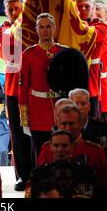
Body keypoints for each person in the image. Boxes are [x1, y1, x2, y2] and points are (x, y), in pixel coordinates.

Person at [0, 0, 32, 191]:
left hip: (31, 87)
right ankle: (22, 175)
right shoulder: (2, 30)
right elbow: (8, 51)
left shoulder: (29, 27)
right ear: (5, 11)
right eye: (11, 10)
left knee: (32, 132)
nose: (15, 13)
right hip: (13, 89)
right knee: (17, 134)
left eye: (18, 8)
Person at [19, 13, 66, 157]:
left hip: (60, 109)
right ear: (36, 30)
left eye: (48, 26)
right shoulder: (28, 54)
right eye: (42, 27)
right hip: (38, 110)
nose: (45, 30)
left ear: (54, 28)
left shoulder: (63, 52)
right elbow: (23, 87)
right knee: (40, 153)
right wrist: (25, 120)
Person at [76, 0, 107, 118]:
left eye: (87, 6)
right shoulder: (69, 26)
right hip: (74, 81)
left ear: (93, 9)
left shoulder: (101, 26)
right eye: (80, 6)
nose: (83, 9)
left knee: (90, 123)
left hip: (91, 82)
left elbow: (84, 33)